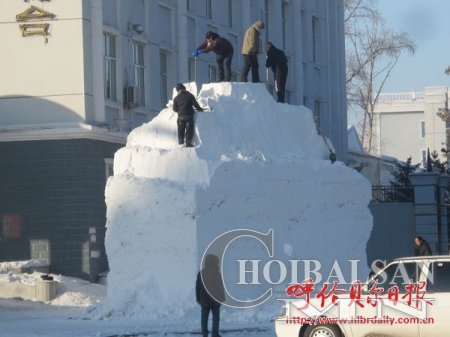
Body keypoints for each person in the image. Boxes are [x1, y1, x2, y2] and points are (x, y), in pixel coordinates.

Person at [196, 254, 225, 337]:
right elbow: (220, 287)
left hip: (204, 301)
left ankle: (205, 334)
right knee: (216, 318)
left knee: (204, 319)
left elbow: (197, 287)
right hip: (215, 300)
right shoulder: (216, 273)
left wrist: (198, 298)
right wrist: (222, 298)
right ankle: (215, 334)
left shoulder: (201, 273)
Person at [172, 83, 203, 147]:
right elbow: (195, 104)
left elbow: (174, 109)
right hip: (188, 116)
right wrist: (200, 109)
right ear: (184, 88)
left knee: (180, 130)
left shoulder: (176, 98)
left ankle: (180, 143)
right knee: (189, 130)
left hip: (180, 117)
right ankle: (188, 143)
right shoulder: (189, 95)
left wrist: (180, 110)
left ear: (178, 90)